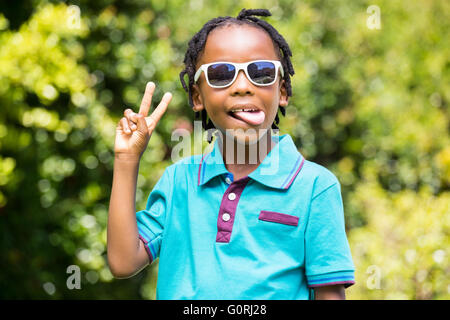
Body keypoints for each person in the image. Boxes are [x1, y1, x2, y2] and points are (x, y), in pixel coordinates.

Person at [107, 8, 355, 300]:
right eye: (221, 75)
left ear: (283, 90)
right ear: (198, 97)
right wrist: (126, 160)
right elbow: (123, 262)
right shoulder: (179, 181)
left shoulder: (314, 187)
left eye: (260, 73)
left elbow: (330, 294)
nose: (241, 87)